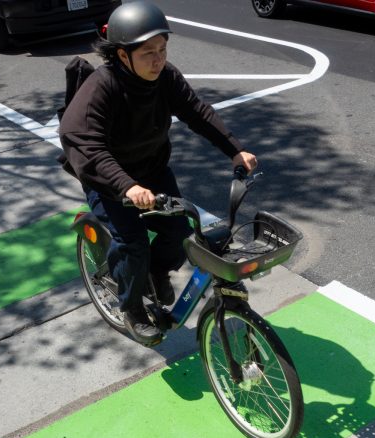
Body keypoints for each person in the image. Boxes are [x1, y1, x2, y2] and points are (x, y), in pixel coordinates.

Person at [59, 1, 257, 345]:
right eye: (148, 52)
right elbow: (84, 145)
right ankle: (132, 308)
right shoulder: (102, 88)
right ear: (123, 56)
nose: (158, 59)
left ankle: (155, 270)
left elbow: (197, 112)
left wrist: (234, 149)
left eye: (162, 49)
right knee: (133, 242)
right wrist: (126, 185)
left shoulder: (165, 78)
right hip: (109, 180)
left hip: (152, 169)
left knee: (180, 232)